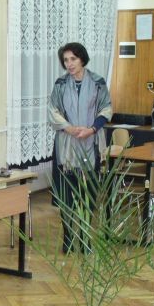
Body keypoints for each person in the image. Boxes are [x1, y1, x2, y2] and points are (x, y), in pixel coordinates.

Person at [47, 42, 113, 253]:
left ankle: (85, 238)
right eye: (66, 60)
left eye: (73, 59)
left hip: (90, 144)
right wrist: (69, 128)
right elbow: (53, 110)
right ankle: (68, 238)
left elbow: (106, 109)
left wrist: (91, 129)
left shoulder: (98, 82)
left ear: (82, 59)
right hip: (66, 147)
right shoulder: (60, 84)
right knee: (66, 196)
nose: (69, 64)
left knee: (88, 195)